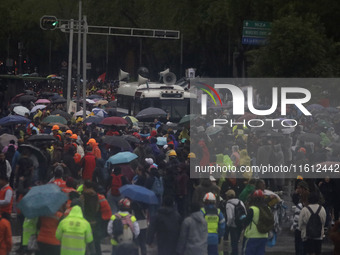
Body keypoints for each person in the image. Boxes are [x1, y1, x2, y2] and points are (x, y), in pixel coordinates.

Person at [242, 189, 271, 255]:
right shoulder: (267, 209)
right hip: (264, 236)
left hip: (252, 236)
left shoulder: (252, 209)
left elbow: (246, 222)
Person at [225, 189, 246, 255]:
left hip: (233, 226)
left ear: (227, 196)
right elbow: (245, 212)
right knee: (237, 241)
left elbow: (230, 217)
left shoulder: (228, 204)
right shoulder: (240, 202)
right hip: (240, 224)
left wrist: (228, 225)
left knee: (234, 243)